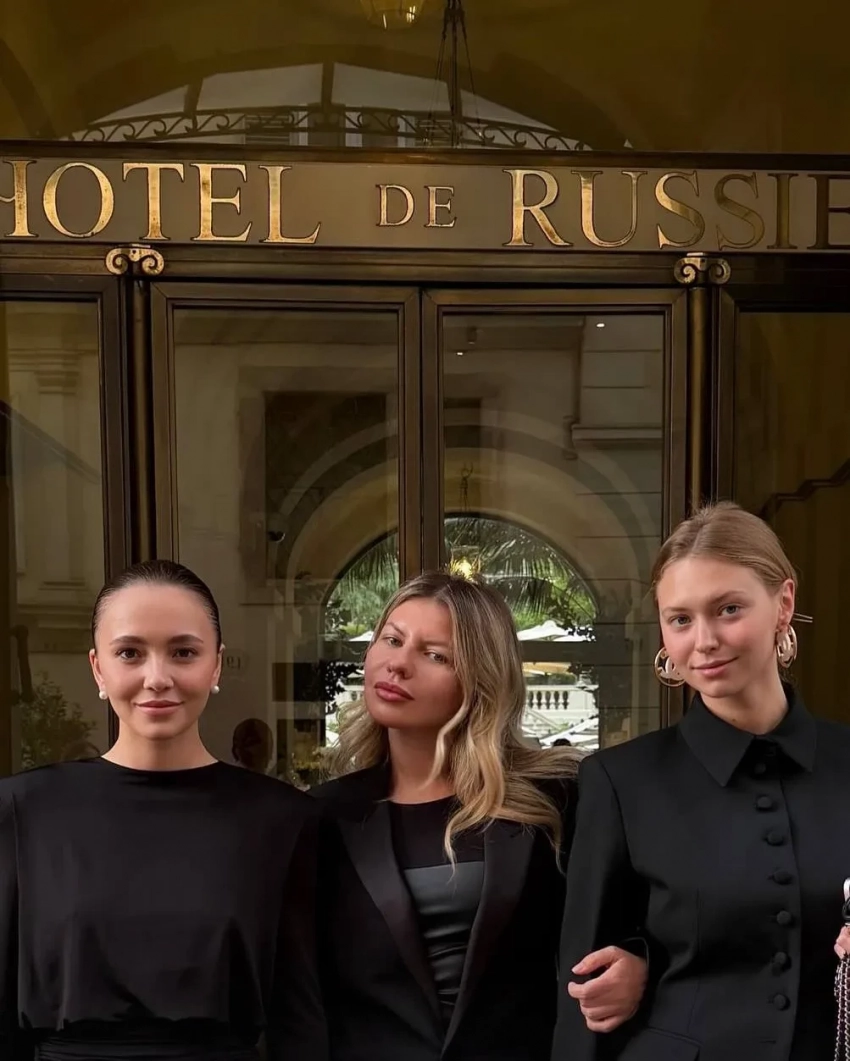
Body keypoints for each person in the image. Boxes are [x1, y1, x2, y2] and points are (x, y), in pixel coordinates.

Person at [553, 502, 850, 1061]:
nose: (704, 640)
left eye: (729, 609)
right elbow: (583, 995)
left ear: (783, 604)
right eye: (680, 619)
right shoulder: (619, 782)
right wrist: (643, 959)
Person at [311, 571, 647, 1061]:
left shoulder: (558, 800)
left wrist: (639, 967)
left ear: (480, 680)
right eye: (392, 640)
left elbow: (644, 920)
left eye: (435, 655)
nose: (398, 664)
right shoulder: (323, 816)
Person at [0, 560, 325, 1061]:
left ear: (215, 665)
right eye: (130, 653)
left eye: (183, 652)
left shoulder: (281, 821)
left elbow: (300, 1020)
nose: (157, 678)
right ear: (98, 668)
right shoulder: (24, 811)